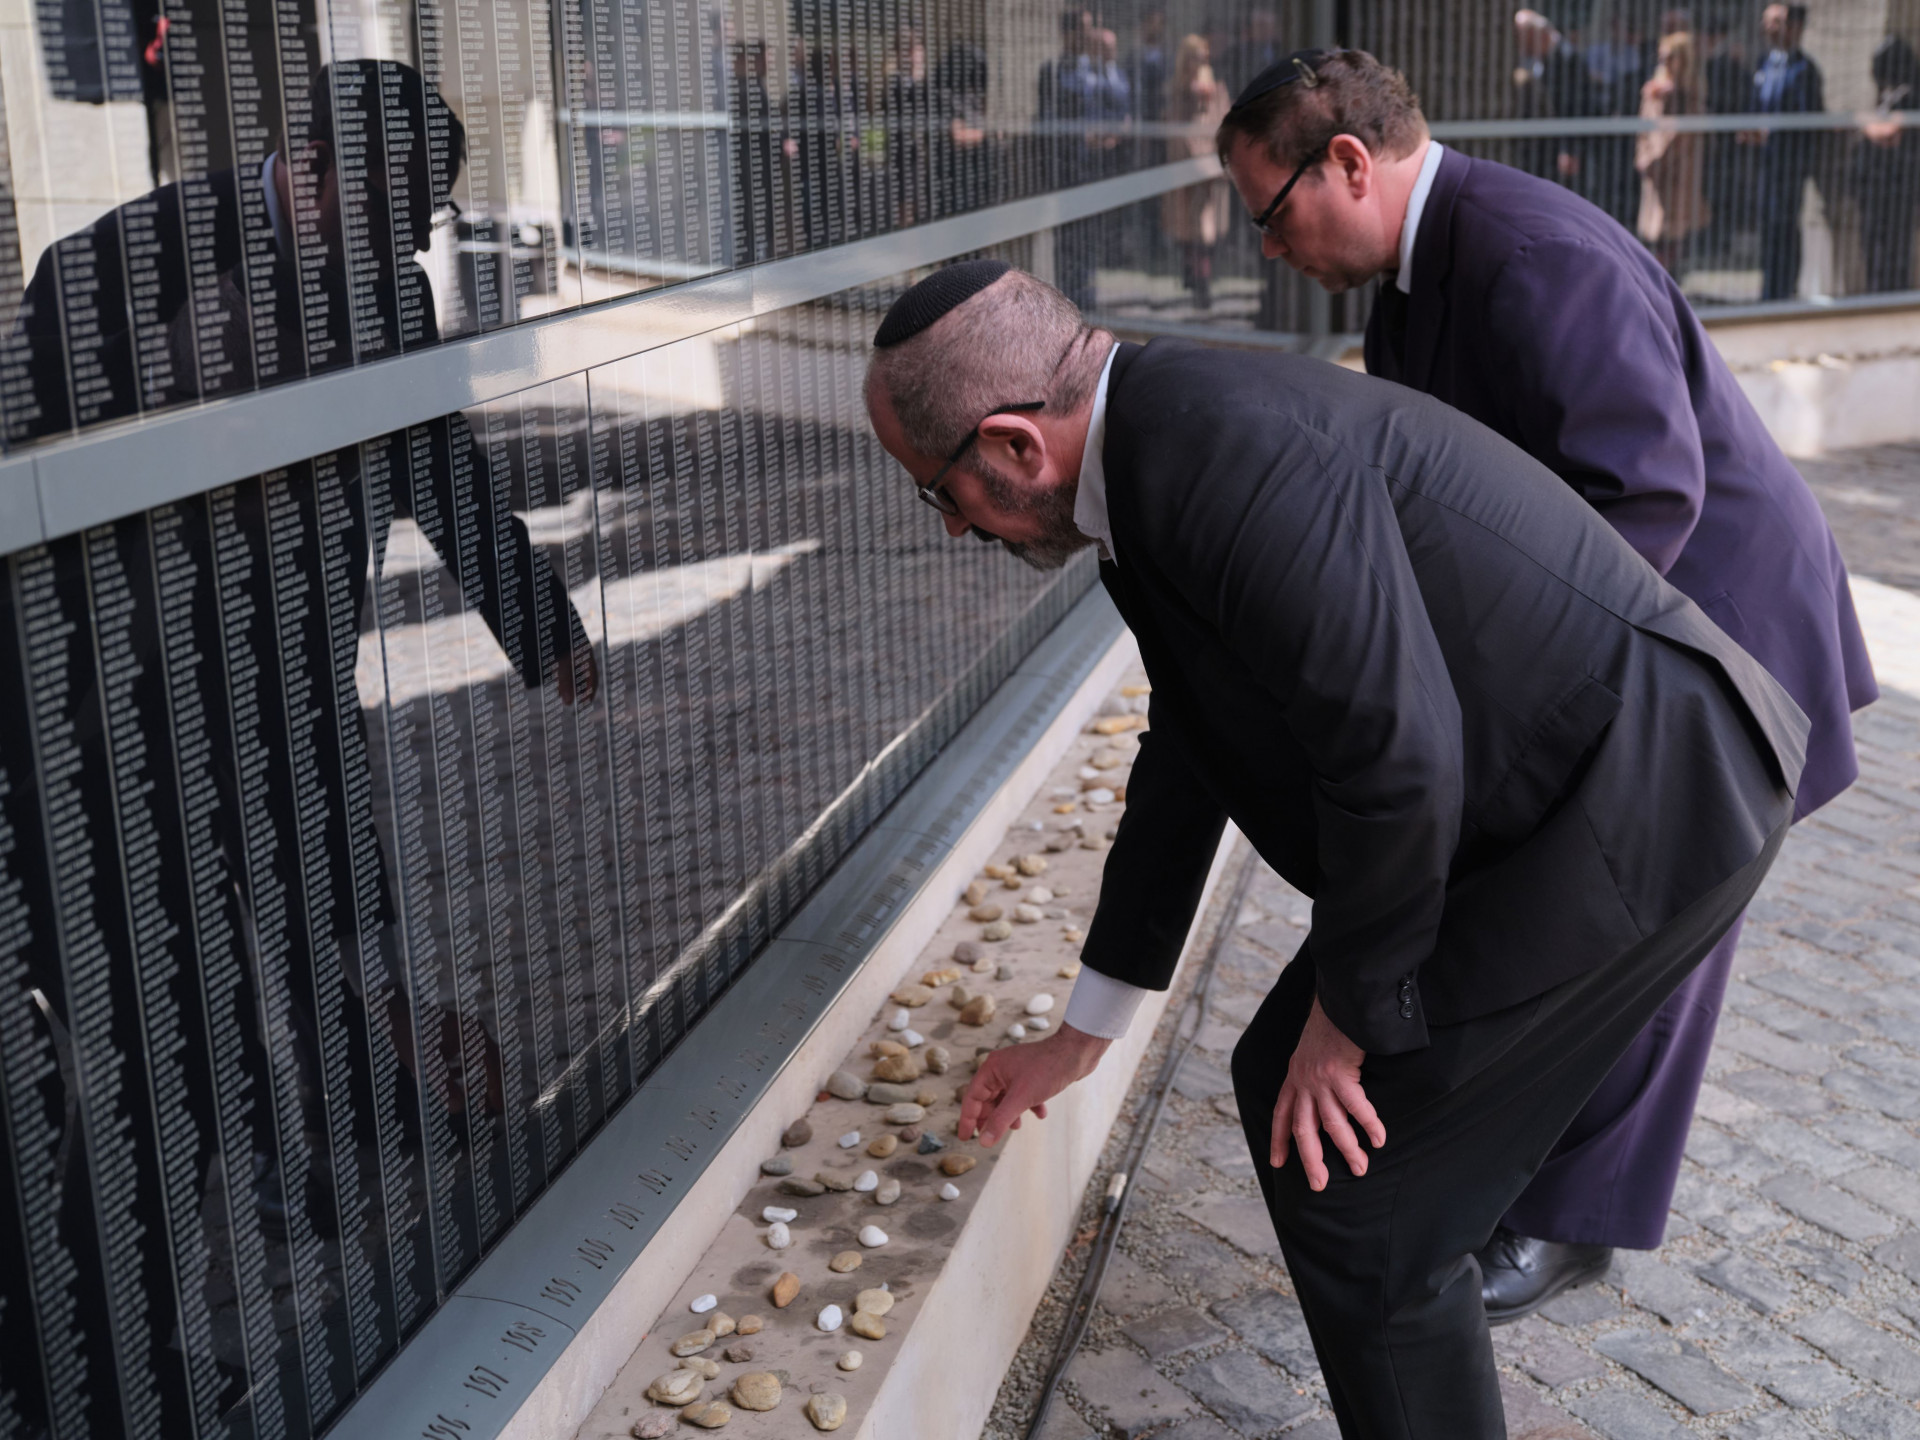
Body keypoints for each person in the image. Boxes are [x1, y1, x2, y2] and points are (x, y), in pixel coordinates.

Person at [867, 259, 1802, 1440]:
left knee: (1370, 1195)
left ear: (1012, 444)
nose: (954, 526)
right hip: (1557, 793)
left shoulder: (1215, 457)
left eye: (938, 492)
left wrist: (1349, 1019)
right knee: (1300, 1105)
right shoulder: (1156, 439)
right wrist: (1082, 1034)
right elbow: (1192, 745)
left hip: (1638, 802)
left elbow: (1395, 756)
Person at [1215, 47, 1875, 1322]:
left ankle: (1577, 1222)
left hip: (1722, 619)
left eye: (1271, 212)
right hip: (1637, 622)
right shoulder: (1414, 283)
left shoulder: (1533, 255)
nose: (1268, 248)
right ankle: (1521, 1171)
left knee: (1660, 923)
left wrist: (1515, 691)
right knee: (1590, 909)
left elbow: (1648, 492)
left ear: (1347, 164)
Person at [1747, 2, 1824, 300]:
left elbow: (1808, 118)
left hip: (1789, 163)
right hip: (1765, 161)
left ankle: (1784, 290)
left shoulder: (1804, 69)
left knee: (1784, 225)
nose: (1768, 28)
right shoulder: (1764, 62)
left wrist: (1774, 133)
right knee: (1767, 225)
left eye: (1776, 22)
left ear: (1794, 27)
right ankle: (1769, 289)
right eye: (1767, 21)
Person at [1160, 35, 1231, 310]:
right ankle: (1193, 278)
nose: (1200, 63)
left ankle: (1202, 284)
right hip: (1182, 167)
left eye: (1203, 58)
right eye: (1194, 58)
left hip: (1207, 169)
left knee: (1204, 231)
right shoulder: (1175, 90)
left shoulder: (1214, 88)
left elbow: (1221, 123)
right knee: (1187, 230)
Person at [1636, 30, 1711, 274]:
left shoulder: (1692, 93)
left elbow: (1683, 134)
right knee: (1655, 232)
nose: (1665, 62)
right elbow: (1643, 127)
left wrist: (1660, 160)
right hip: (1653, 168)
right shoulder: (1653, 90)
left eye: (1671, 57)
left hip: (1677, 170)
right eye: (1662, 57)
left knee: (1673, 232)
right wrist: (1644, 158)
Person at [1854, 34, 1920, 294]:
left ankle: (1891, 297)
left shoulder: (1910, 95)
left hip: (1897, 187)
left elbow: (1890, 132)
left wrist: (1862, 120)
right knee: (1873, 247)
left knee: (1894, 250)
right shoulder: (1888, 96)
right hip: (1876, 187)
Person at [1511, 10, 1587, 185]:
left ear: (1535, 35)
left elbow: (1572, 106)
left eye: (1522, 39)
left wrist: (1569, 149)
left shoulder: (1567, 60)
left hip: (1559, 151)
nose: (1520, 46)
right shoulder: (1543, 58)